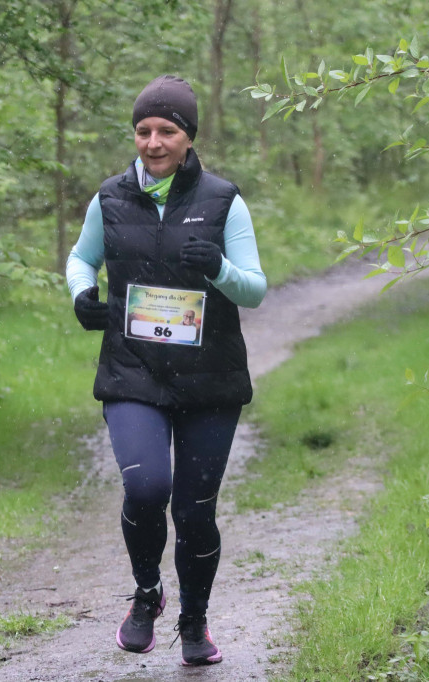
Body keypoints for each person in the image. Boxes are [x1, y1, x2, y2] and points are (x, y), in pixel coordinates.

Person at [66, 74, 267, 666]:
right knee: (146, 486)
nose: (153, 142)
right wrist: (83, 295)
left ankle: (196, 622)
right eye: (143, 130)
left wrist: (220, 269)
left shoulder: (224, 200)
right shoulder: (109, 197)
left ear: (188, 137)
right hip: (134, 370)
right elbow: (83, 258)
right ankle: (147, 592)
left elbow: (253, 290)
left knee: (195, 510)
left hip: (211, 377)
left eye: (167, 131)